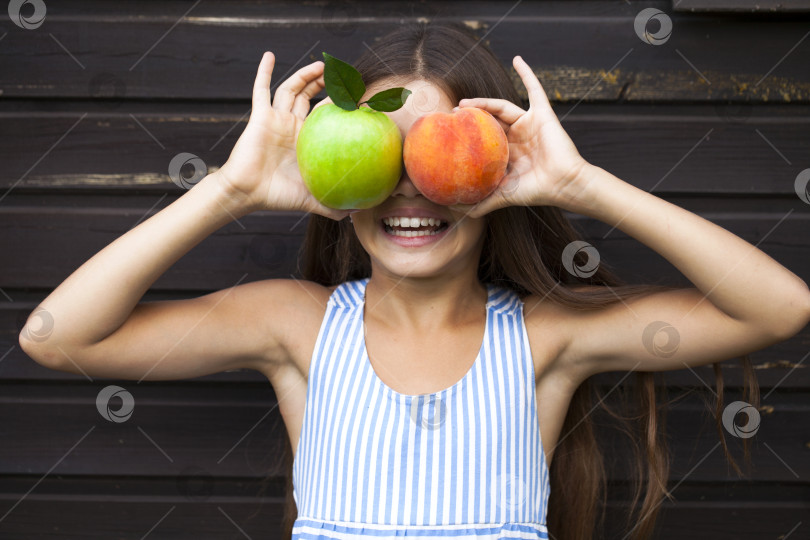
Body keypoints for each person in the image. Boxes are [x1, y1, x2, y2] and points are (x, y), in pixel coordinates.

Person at [19, 22, 809, 540]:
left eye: (439, 159)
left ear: (497, 172)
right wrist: (229, 190)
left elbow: (779, 307)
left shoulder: (544, 339)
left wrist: (581, 185)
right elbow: (57, 337)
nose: (409, 191)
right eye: (382, 157)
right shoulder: (297, 327)